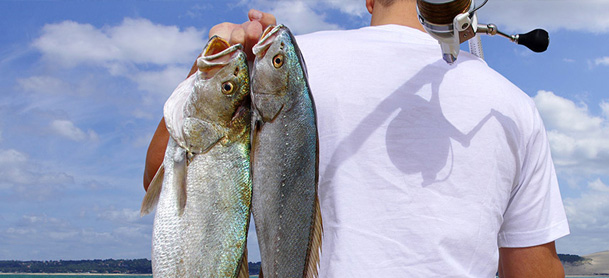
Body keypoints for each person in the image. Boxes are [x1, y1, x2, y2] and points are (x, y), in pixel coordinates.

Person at [143, 0, 570, 277]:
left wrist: (214, 62)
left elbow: (163, 176)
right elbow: (533, 270)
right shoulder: (514, 106)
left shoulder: (287, 61)